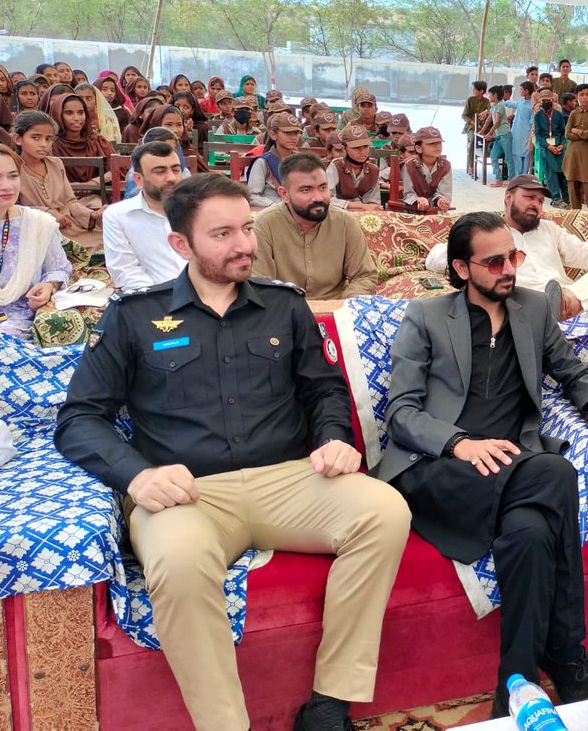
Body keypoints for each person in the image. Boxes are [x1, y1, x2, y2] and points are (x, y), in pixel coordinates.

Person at [55, 172, 409, 731]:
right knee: (177, 560)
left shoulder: (283, 306)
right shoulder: (134, 316)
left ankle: (330, 702)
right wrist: (136, 477)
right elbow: (78, 420)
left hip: (290, 480)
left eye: (246, 227)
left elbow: (323, 388)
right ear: (181, 244)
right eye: (221, 234)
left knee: (385, 511)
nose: (244, 244)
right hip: (188, 495)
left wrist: (335, 437)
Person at [379, 212, 588, 717]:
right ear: (462, 268)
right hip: (440, 470)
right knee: (557, 471)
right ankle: (568, 653)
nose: (509, 268)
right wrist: (458, 443)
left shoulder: (533, 309)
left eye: (513, 256)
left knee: (531, 535)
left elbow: (572, 371)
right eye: (494, 261)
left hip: (512, 466)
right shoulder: (425, 317)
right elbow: (401, 412)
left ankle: (514, 684)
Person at [424, 175, 588, 320]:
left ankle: (568, 307)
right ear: (508, 198)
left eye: (539, 200)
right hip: (522, 299)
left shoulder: (549, 229)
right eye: (529, 197)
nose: (535, 204)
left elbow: (585, 251)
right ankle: (557, 312)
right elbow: (437, 258)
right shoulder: (490, 233)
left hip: (565, 295)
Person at [251, 153, 380, 299]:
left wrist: (347, 305)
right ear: (284, 194)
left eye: (323, 187)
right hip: (284, 311)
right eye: (306, 190)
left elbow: (364, 276)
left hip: (336, 309)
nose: (318, 197)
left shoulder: (345, 222)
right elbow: (260, 284)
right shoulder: (264, 225)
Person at [0, 143, 71, 340]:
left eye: (13, 176)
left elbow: (58, 269)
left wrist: (49, 286)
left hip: (18, 328)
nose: (7, 185)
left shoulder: (37, 224)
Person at [101, 141, 188, 289]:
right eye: (160, 171)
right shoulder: (118, 216)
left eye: (175, 170)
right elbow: (126, 272)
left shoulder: (200, 209)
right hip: (155, 300)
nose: (171, 178)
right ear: (138, 180)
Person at [12, 110, 101, 243]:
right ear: (18, 139)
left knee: (107, 241)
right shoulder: (12, 168)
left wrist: (91, 215)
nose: (43, 144)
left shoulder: (55, 164)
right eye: (35, 137)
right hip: (36, 232)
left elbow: (70, 201)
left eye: (48, 139)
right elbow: (12, 208)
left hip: (69, 226)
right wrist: (48, 213)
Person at [48, 91, 116, 185]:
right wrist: (69, 187)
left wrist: (93, 183)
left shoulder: (98, 142)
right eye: (69, 113)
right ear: (58, 115)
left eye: (81, 113)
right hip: (60, 196)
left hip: (95, 195)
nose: (76, 118)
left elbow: (115, 170)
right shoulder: (51, 145)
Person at [247, 112, 303, 208]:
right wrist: (275, 206)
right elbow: (253, 196)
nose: (293, 137)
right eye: (288, 133)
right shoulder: (263, 162)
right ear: (273, 134)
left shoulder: (302, 161)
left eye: (296, 133)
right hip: (273, 210)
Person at [325, 126, 382, 213]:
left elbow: (373, 202)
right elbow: (326, 199)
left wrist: (370, 208)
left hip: (365, 216)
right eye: (356, 147)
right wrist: (359, 206)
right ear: (344, 148)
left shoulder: (373, 170)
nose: (362, 151)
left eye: (365, 146)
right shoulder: (336, 166)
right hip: (339, 213)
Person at [562, 84, 588, 208]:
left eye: (587, 94)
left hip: (586, 155)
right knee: (572, 186)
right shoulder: (573, 113)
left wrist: (577, 131)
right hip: (572, 155)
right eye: (581, 95)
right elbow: (567, 134)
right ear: (576, 97)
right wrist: (585, 133)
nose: (584, 98)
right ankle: (575, 216)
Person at [401, 126, 453, 211]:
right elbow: (408, 193)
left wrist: (441, 200)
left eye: (439, 143)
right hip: (412, 210)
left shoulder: (446, 166)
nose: (437, 146)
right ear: (418, 148)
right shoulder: (409, 165)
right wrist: (418, 200)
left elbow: (444, 193)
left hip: (436, 210)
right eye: (431, 144)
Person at [534, 91, 567, 206]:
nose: (546, 103)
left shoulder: (558, 115)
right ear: (540, 102)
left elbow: (563, 133)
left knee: (563, 171)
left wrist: (562, 145)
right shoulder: (538, 115)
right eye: (544, 101)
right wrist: (549, 147)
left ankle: (566, 198)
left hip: (559, 145)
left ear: (553, 101)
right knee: (551, 170)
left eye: (548, 100)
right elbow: (538, 135)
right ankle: (556, 198)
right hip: (546, 145)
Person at [485, 84, 513, 187]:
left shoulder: (500, 105)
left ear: (495, 95)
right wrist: (483, 130)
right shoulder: (493, 106)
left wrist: (489, 133)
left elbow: (497, 122)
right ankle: (498, 179)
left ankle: (511, 179)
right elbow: (489, 119)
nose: (489, 97)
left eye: (490, 95)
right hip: (498, 136)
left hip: (505, 135)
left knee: (508, 158)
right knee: (493, 156)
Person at [509, 80, 536, 177]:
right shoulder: (521, 101)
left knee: (526, 153)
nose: (520, 91)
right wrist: (502, 102)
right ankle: (517, 175)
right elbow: (513, 105)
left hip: (526, 132)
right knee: (516, 153)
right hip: (516, 131)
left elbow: (532, 120)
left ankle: (524, 175)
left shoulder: (532, 105)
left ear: (527, 91)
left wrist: (531, 133)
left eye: (521, 89)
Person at [462, 81, 489, 177]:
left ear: (481, 91)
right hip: (471, 126)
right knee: (474, 139)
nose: (473, 91)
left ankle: (487, 155)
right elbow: (464, 115)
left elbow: (490, 111)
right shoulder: (470, 100)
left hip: (483, 126)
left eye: (475, 89)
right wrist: (473, 123)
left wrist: (486, 112)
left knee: (488, 137)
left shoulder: (486, 102)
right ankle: (471, 166)